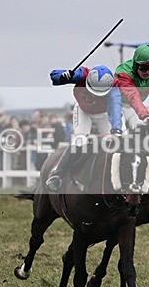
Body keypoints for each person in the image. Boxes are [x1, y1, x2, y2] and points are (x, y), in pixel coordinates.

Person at [45, 64, 122, 192]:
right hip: (83, 111)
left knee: (117, 143)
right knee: (79, 140)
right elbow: (54, 77)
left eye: (100, 93)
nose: (96, 96)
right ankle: (57, 175)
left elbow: (115, 110)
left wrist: (117, 130)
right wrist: (63, 77)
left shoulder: (114, 88)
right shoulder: (82, 74)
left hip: (104, 115)